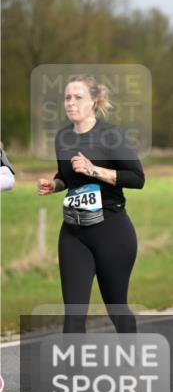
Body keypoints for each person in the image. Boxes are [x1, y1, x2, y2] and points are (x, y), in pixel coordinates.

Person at [36, 75, 145, 333]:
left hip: (112, 231)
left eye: (78, 97)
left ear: (94, 101)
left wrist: (93, 169)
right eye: (67, 98)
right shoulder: (63, 137)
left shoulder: (111, 136)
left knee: (117, 309)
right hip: (74, 232)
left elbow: (137, 178)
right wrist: (55, 185)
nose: (70, 103)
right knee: (73, 316)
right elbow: (66, 176)